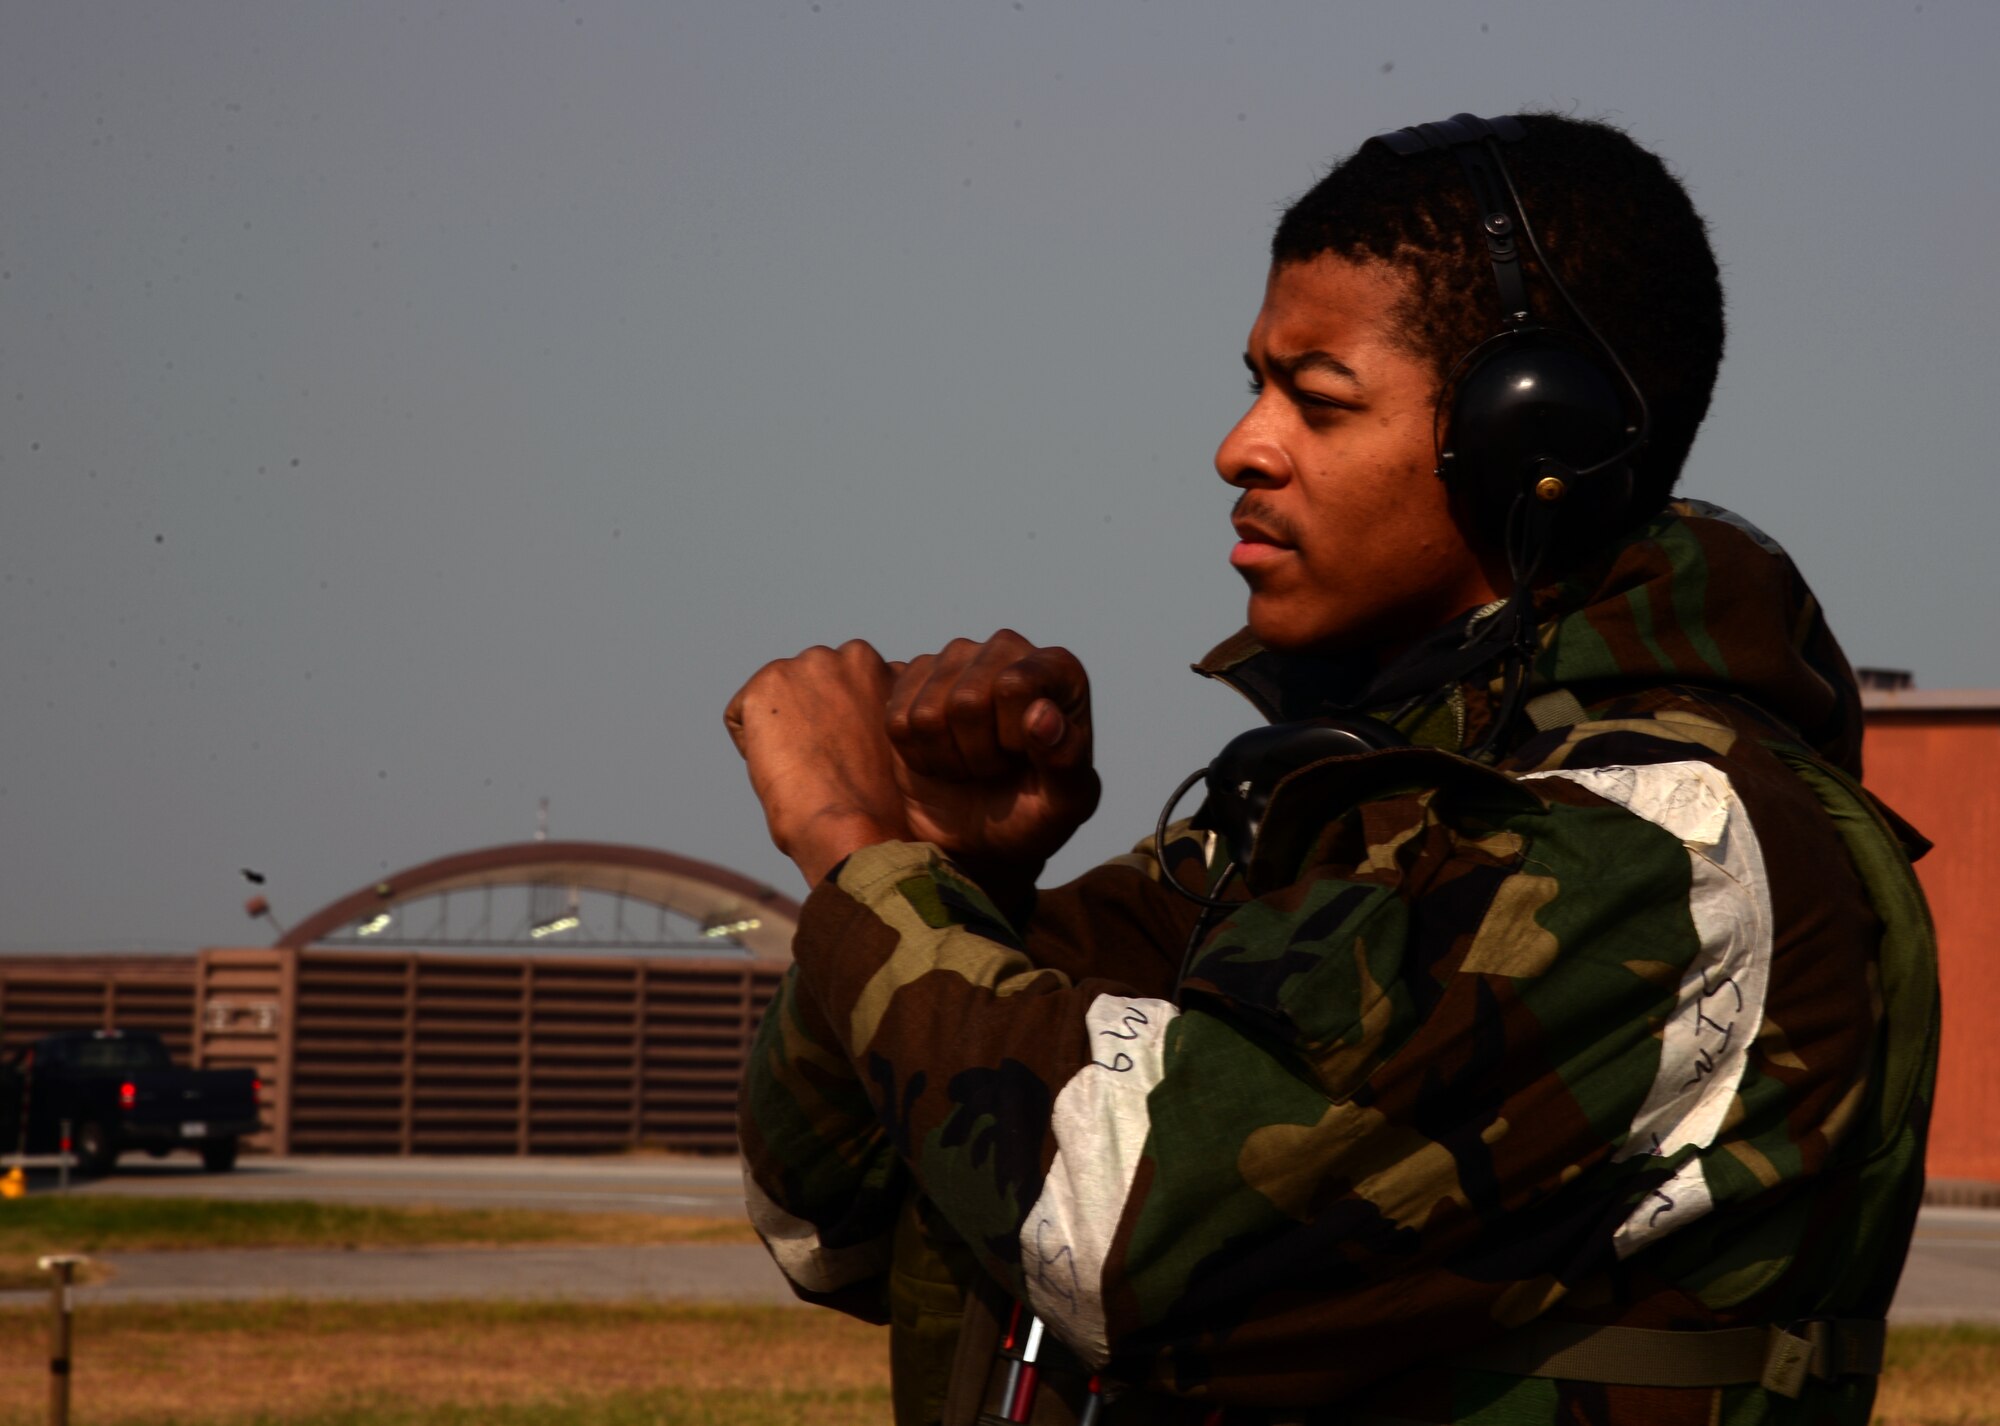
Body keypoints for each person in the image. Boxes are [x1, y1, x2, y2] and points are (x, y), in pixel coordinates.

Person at [725, 112, 1938, 1426]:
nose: (1241, 447)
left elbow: (1123, 1233)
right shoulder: (1334, 810)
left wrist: (856, 848)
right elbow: (830, 1208)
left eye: (1317, 398)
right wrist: (967, 870)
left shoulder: (1659, 836)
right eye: (1256, 386)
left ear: (1528, 437)